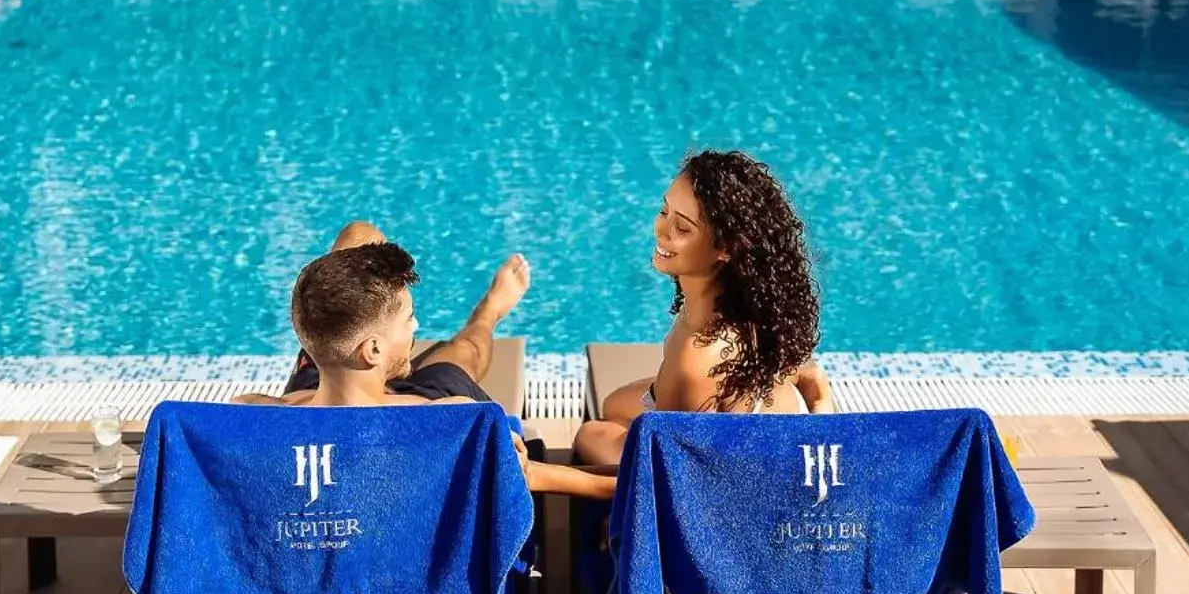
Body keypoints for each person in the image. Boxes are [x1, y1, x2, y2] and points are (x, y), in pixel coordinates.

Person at [240, 221, 617, 499]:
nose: (417, 326)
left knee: (358, 235)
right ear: (372, 350)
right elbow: (539, 481)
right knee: (460, 357)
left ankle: (348, 316)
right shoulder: (457, 421)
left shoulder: (251, 418)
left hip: (319, 396)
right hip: (426, 587)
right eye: (409, 319)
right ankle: (487, 314)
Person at [572, 151, 831, 472]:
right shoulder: (748, 300)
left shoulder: (694, 362)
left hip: (732, 460)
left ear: (725, 249)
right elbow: (800, 368)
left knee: (591, 433)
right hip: (754, 412)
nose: (661, 230)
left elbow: (678, 484)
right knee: (613, 403)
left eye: (682, 227)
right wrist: (819, 401)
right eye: (664, 211)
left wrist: (543, 476)